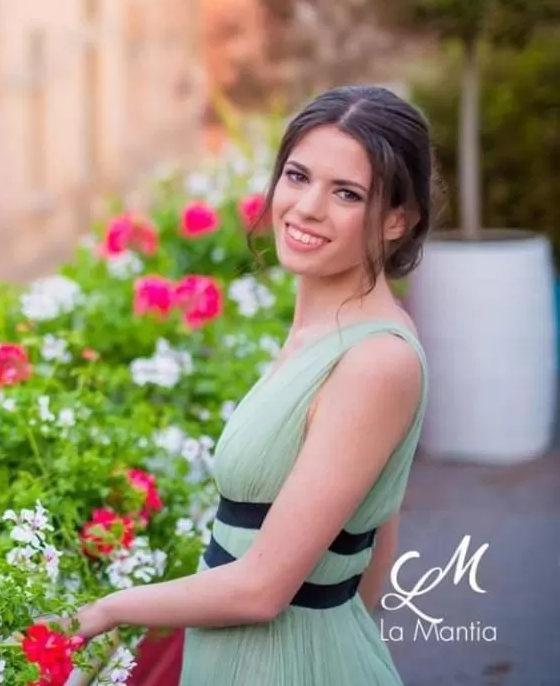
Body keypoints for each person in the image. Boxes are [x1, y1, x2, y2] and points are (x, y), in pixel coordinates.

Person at [67, 85, 437, 685]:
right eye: (297, 176)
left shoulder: (375, 361)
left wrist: (107, 610)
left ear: (397, 219)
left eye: (346, 193)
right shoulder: (327, 332)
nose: (308, 207)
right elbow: (376, 536)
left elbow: (263, 589)